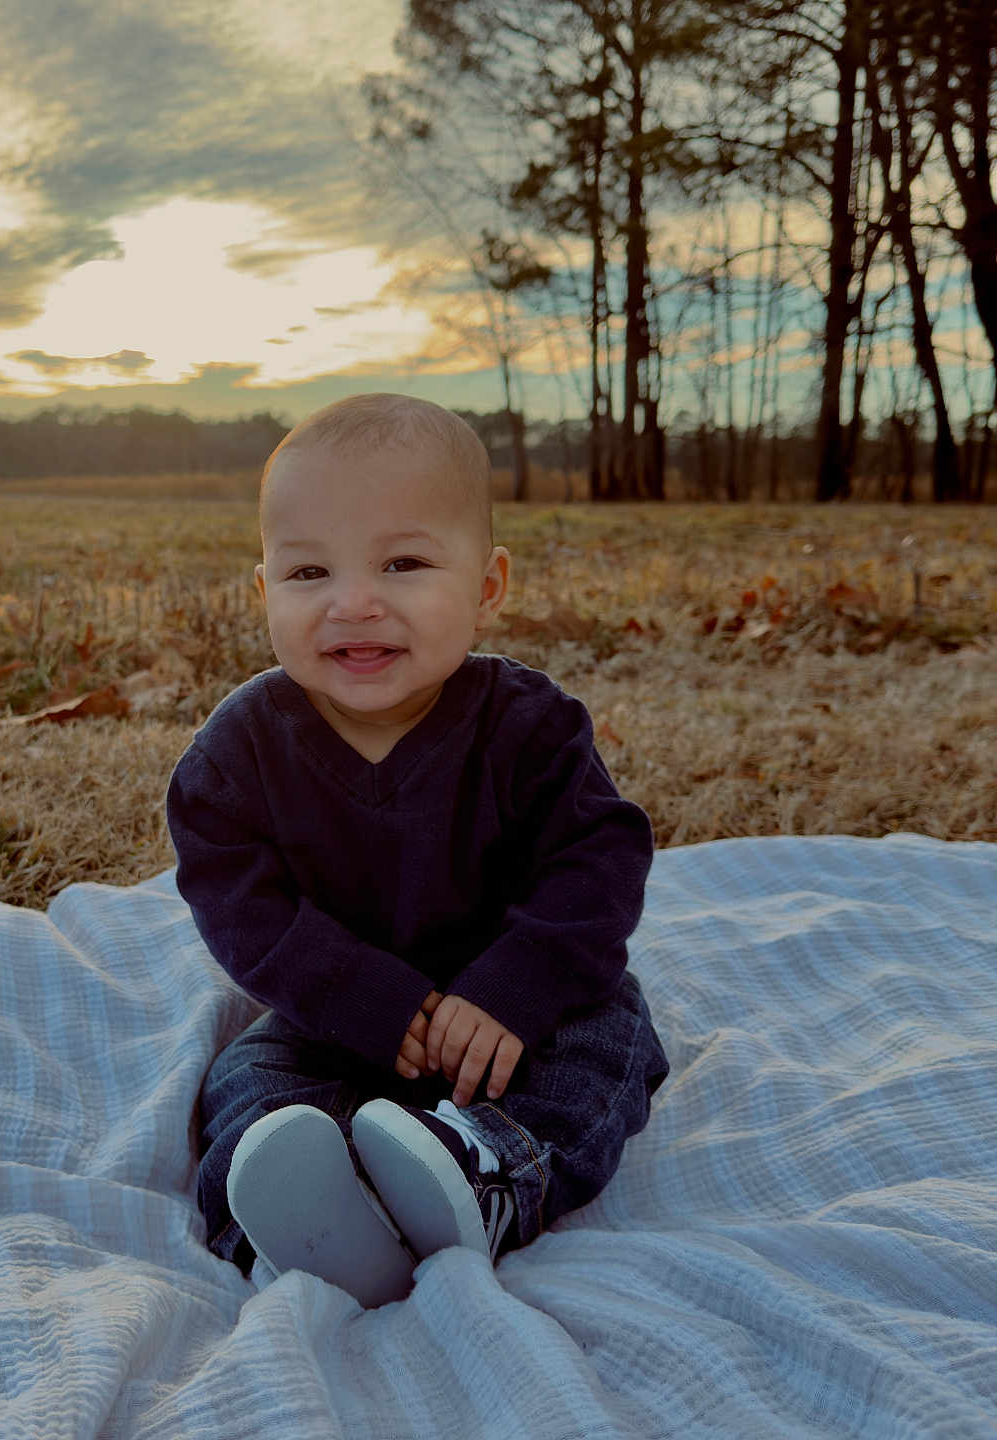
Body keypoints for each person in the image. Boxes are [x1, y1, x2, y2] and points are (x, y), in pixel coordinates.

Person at [165, 393, 669, 1308]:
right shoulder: (239, 753)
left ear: (487, 586)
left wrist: (516, 988)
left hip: (518, 1013)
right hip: (335, 1018)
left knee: (608, 1042)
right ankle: (292, 1222)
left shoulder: (532, 728)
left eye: (402, 563)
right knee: (246, 1077)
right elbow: (240, 901)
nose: (353, 602)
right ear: (264, 590)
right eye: (309, 572)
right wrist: (359, 996)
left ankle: (483, 1177)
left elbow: (597, 859)